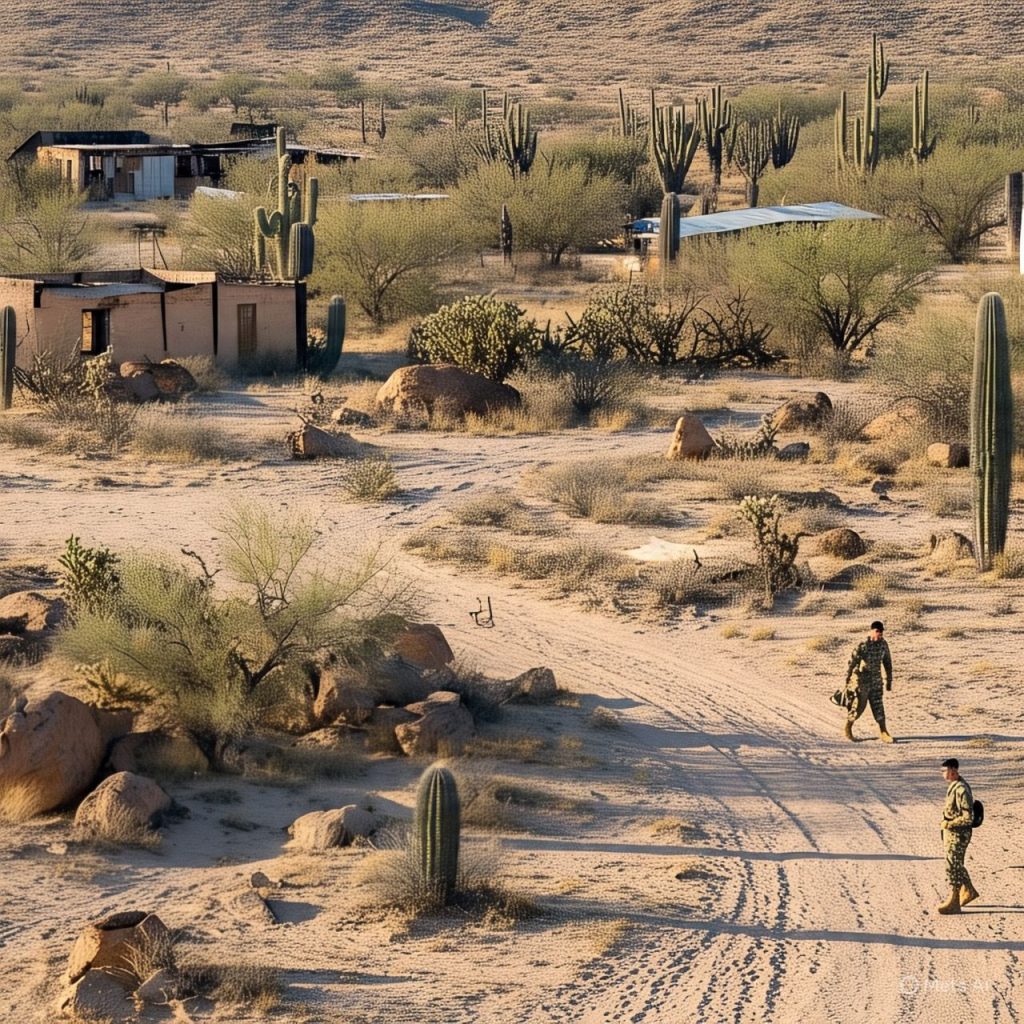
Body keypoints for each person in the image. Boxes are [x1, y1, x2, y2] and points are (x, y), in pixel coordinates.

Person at [938, 757, 979, 914]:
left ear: (953, 771)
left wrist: (950, 824)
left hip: (959, 833)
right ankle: (968, 890)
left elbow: (968, 817)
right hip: (952, 832)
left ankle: (954, 900)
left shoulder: (961, 789)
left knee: (952, 865)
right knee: (954, 862)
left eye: (944, 771)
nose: (942, 774)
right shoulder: (954, 786)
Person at [842, 620, 894, 742]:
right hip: (863, 682)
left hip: (876, 681)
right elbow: (852, 663)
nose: (879, 634)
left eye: (881, 632)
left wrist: (889, 680)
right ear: (871, 631)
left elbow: (887, 662)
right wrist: (848, 679)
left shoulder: (883, 645)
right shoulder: (863, 646)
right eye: (877, 631)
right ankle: (848, 727)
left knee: (879, 707)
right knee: (859, 707)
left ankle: (883, 731)